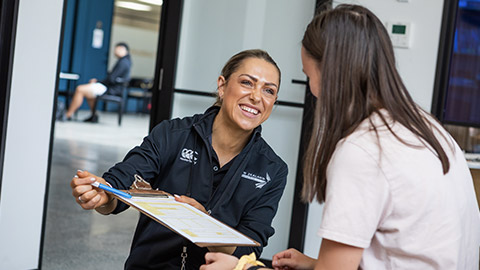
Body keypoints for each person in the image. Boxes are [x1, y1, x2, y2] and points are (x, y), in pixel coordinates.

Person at [200, 4, 480, 270]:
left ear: (331, 75)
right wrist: (315, 265)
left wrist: (243, 267)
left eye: (309, 76)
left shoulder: (363, 150)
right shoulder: (429, 128)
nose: (313, 91)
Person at [70, 49, 288, 269]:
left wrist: (205, 225)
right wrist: (101, 195)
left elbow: (250, 248)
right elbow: (120, 184)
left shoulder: (273, 169)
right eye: (247, 83)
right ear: (222, 86)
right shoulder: (172, 135)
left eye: (268, 90)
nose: (257, 97)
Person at [64, 42, 132, 122]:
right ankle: (94, 115)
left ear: (122, 49)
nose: (114, 52)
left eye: (116, 49)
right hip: (111, 87)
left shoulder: (123, 63)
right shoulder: (125, 61)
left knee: (80, 89)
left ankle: (67, 115)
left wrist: (98, 81)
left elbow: (111, 79)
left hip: (111, 89)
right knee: (89, 93)